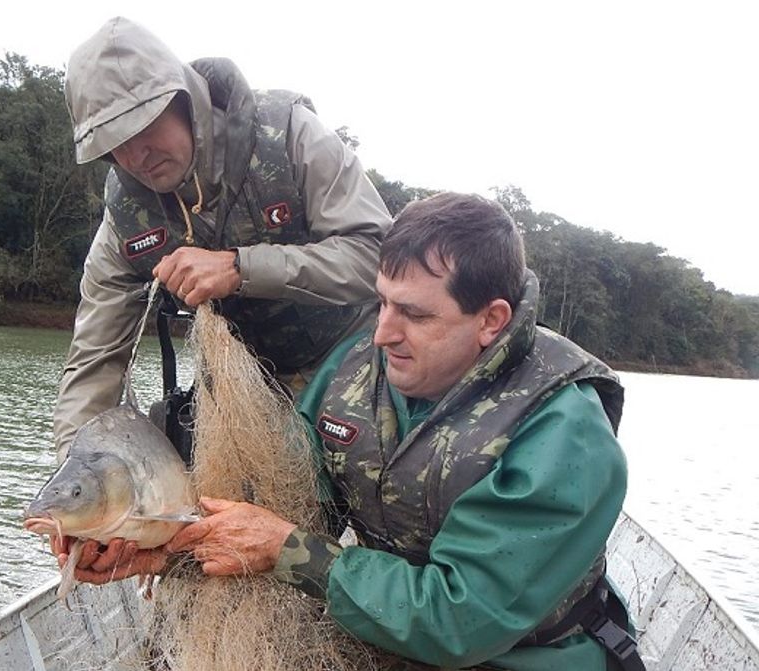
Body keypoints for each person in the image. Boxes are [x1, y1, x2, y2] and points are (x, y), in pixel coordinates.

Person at [76, 193, 642, 671]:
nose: (382, 334)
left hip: (526, 654)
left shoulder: (563, 434)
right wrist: (160, 551)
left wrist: (287, 553)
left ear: (491, 321)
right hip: (386, 632)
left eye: (415, 316)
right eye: (382, 304)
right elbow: (287, 510)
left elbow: (462, 619)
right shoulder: (353, 374)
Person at [53, 16, 392, 462]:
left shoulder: (290, 135)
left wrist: (240, 268)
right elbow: (95, 357)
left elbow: (378, 259)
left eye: (144, 126)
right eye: (116, 143)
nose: (136, 155)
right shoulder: (124, 219)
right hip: (239, 399)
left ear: (184, 100)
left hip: (351, 362)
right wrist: (74, 473)